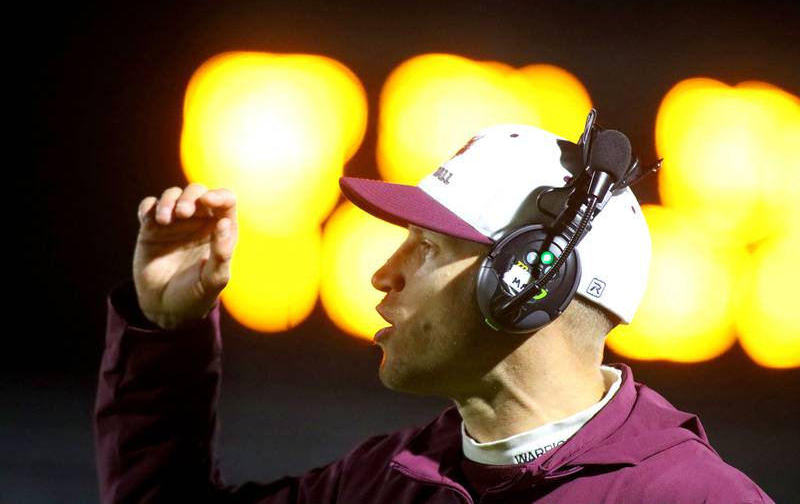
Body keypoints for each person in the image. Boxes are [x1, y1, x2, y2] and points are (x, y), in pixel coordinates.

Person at [94, 121, 775, 503]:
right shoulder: (386, 478)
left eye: (423, 248)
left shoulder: (696, 498)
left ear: (527, 279)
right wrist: (167, 330)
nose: (381, 274)